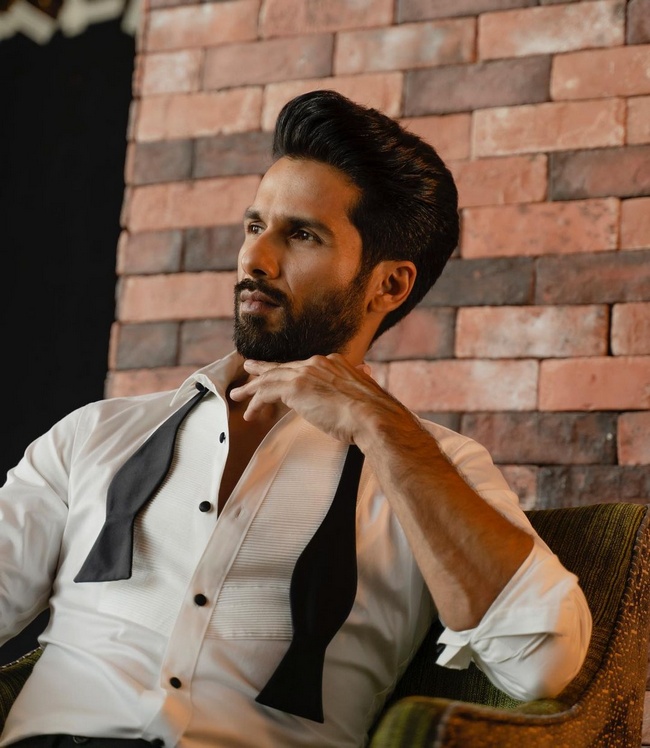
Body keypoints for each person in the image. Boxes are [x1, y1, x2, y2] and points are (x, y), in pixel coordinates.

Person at [0, 90, 591, 748]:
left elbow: (542, 660)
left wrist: (378, 426)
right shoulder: (94, 436)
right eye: (255, 225)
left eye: (302, 235)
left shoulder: (438, 467)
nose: (255, 259)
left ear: (389, 285)